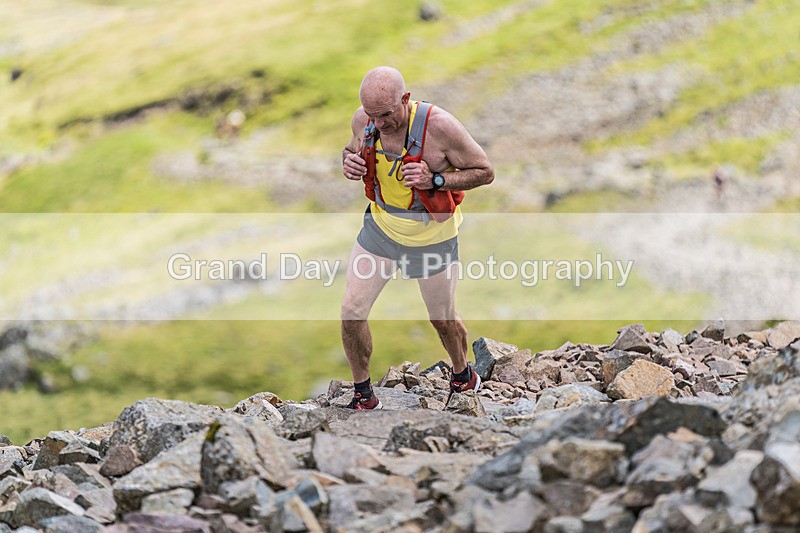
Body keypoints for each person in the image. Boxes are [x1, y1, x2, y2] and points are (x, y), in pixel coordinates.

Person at [340, 66, 494, 409]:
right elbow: (350, 150)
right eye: (372, 115)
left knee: (441, 318)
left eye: (386, 115)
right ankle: (363, 395)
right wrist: (349, 162)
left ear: (405, 99)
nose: (379, 124)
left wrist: (434, 180)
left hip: (431, 236)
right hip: (381, 229)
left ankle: (462, 374)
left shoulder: (440, 126)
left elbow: (485, 172)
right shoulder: (364, 120)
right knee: (352, 311)